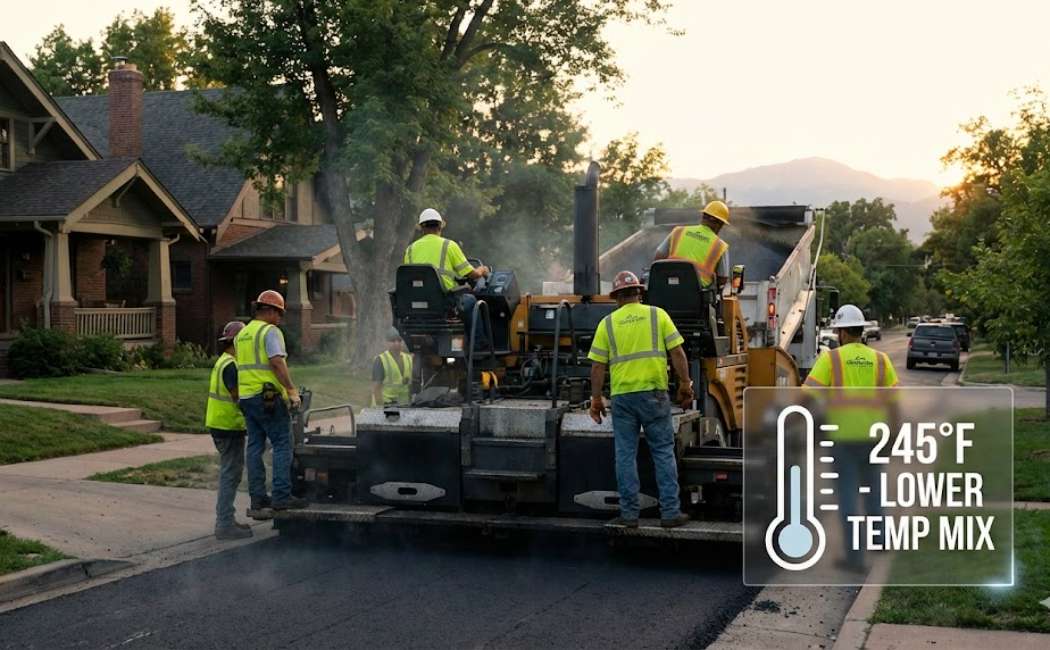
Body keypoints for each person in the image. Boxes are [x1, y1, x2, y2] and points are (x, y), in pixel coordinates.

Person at [587, 270, 695, 529]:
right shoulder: (658, 315)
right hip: (654, 395)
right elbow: (678, 353)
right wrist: (685, 385)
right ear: (639, 293)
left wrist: (596, 399)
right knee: (662, 453)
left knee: (625, 455)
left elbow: (597, 367)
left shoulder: (607, 324)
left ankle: (629, 515)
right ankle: (670, 513)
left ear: (616, 298)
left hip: (623, 397)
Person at [804, 304, 899, 568]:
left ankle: (855, 558)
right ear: (861, 330)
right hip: (873, 438)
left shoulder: (831, 359)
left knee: (847, 496)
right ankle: (880, 541)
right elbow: (893, 403)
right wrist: (894, 434)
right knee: (874, 490)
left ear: (843, 332)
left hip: (842, 439)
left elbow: (807, 396)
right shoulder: (881, 360)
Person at [235, 289, 307, 515]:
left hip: (246, 398)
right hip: (267, 398)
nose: (280, 319)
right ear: (270, 310)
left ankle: (258, 499)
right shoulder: (270, 331)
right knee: (282, 444)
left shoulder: (242, 334)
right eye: (280, 313)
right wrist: (291, 390)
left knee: (255, 448)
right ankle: (281, 496)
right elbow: (277, 363)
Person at [206, 320, 252, 540]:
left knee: (231, 474)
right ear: (237, 342)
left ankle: (227, 518)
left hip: (221, 425)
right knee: (230, 475)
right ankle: (224, 524)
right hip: (227, 426)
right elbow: (239, 398)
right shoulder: (231, 366)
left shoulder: (223, 362)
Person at [403, 208, 490, 315]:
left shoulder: (410, 249)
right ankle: (474, 332)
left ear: (422, 228)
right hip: (444, 302)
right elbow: (473, 275)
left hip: (416, 303)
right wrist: (483, 269)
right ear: (440, 226)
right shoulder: (449, 246)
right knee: (472, 301)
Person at [654, 200, 731, 289]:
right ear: (719, 224)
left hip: (667, 289)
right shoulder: (720, 246)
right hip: (697, 298)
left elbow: (658, 258)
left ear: (703, 216)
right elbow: (722, 280)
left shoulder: (678, 231)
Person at [372, 327, 413, 406]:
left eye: (399, 340)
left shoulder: (409, 359)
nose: (397, 343)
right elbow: (376, 388)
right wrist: (380, 408)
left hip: (404, 406)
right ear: (386, 343)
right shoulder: (380, 360)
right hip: (386, 406)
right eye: (393, 341)